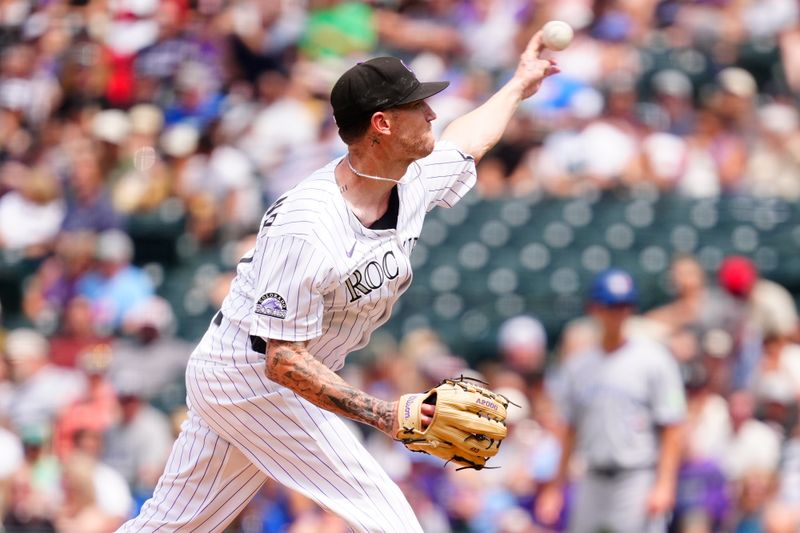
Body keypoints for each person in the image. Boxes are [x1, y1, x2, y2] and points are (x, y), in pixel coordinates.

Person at [118, 31, 559, 532]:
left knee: (171, 525)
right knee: (391, 520)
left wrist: (520, 83)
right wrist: (385, 414)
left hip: (273, 375)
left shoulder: (405, 181)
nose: (432, 114)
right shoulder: (309, 226)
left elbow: (469, 139)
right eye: (420, 106)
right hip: (251, 378)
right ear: (383, 124)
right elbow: (282, 361)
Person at [536, 268, 687, 533]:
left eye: (624, 305)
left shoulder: (654, 359)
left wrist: (665, 484)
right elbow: (569, 430)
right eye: (611, 305)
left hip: (637, 475)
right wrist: (555, 488)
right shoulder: (578, 365)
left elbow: (672, 427)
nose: (618, 313)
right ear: (594, 308)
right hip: (592, 476)